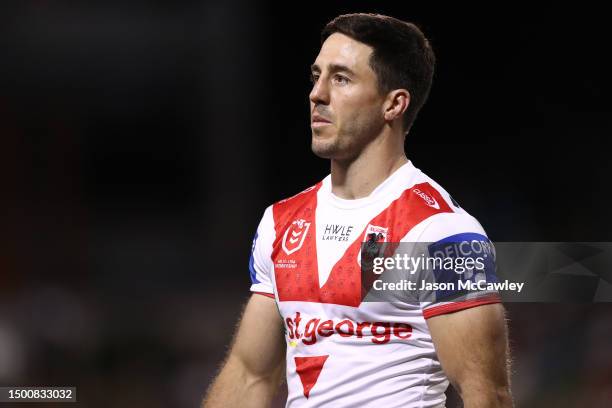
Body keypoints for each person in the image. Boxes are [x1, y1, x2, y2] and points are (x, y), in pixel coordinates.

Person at [203, 13, 513, 408]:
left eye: (341, 78)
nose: (317, 94)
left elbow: (487, 394)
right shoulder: (280, 223)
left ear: (393, 104)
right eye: (316, 76)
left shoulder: (440, 233)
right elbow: (249, 376)